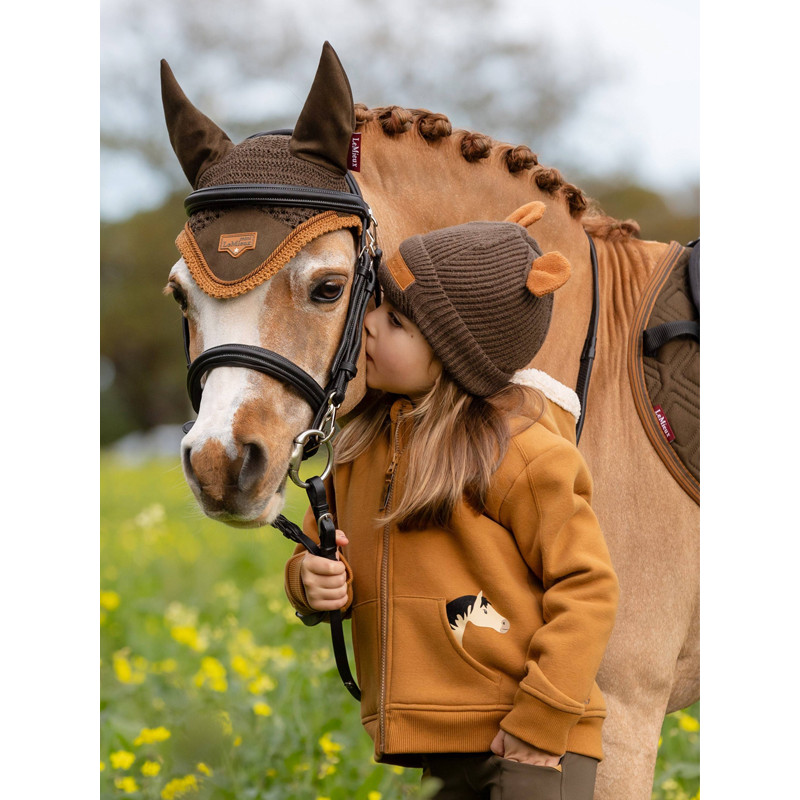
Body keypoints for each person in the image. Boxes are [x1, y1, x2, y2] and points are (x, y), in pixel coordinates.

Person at [284, 203, 619, 800]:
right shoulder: (358, 446)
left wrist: (541, 723)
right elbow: (320, 549)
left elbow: (588, 591)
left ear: (454, 355)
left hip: (531, 746)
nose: (368, 324)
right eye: (376, 305)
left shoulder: (523, 453)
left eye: (397, 322)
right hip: (443, 743)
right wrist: (308, 583)